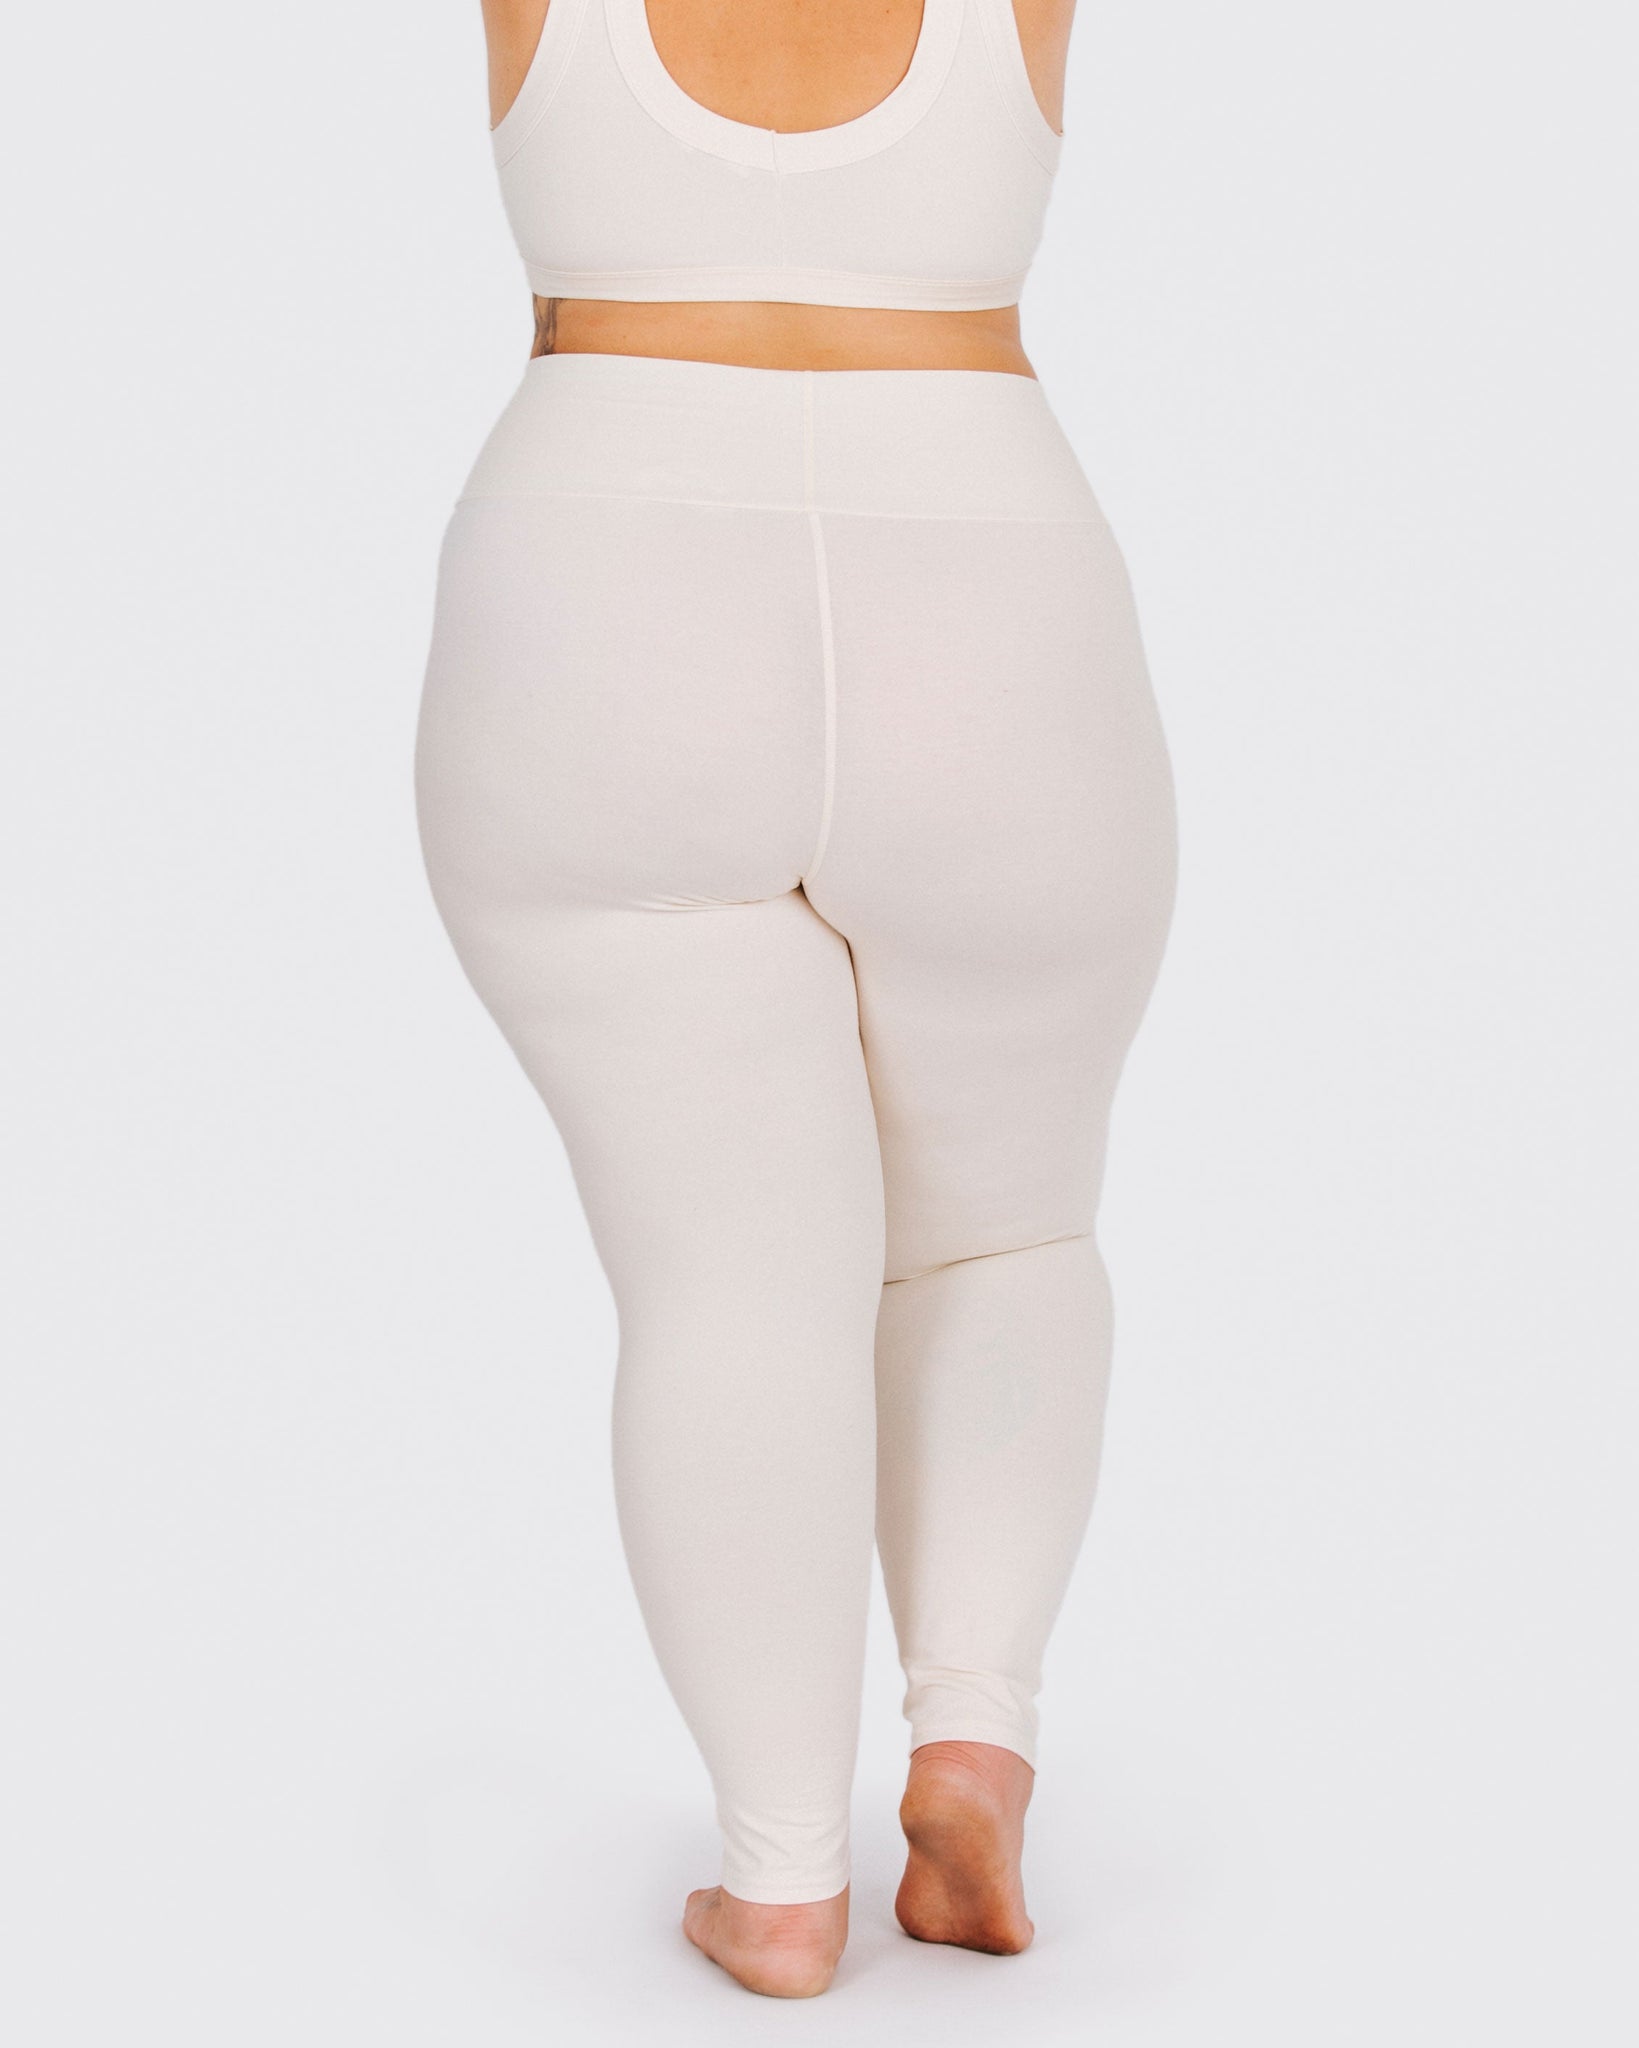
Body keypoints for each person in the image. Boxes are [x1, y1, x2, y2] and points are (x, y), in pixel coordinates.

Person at [413, 0, 1179, 1999]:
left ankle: (776, 1880)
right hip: (988, 578)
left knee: (729, 1279)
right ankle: (971, 1736)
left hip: (601, 580)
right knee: (1003, 1231)